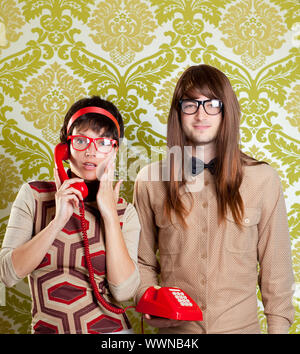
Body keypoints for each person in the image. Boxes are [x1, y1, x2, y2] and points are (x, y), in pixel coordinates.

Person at [133, 64, 295, 334]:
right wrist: (148, 302)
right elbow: (142, 261)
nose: (201, 114)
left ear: (226, 110)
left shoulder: (264, 180)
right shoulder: (149, 180)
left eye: (212, 104)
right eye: (191, 104)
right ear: (178, 112)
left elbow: (275, 271)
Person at [0, 96, 140, 334]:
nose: (92, 152)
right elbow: (7, 274)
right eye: (81, 140)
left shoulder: (125, 211)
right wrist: (58, 221)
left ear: (114, 151)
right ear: (64, 147)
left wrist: (108, 214)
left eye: (104, 142)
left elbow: (124, 292)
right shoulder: (34, 195)